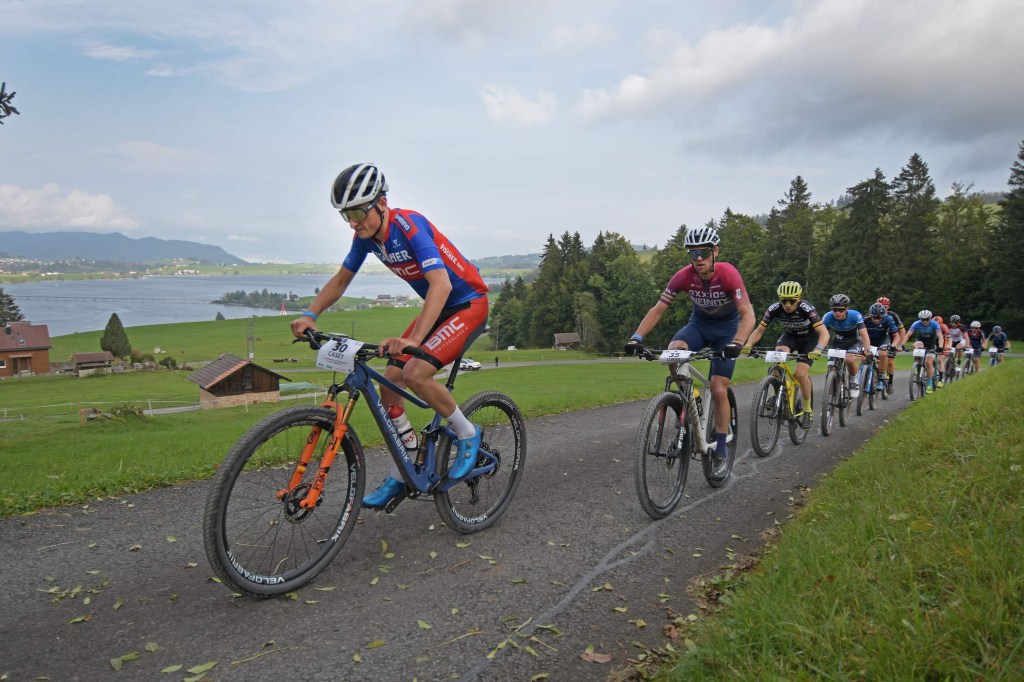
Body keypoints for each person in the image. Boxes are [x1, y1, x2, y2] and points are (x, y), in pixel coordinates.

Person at [291, 163, 490, 509]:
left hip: (467, 304)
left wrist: (415, 340)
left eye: (358, 213)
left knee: (415, 373)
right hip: (440, 307)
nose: (353, 223)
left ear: (382, 203)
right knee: (390, 382)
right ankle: (405, 466)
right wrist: (311, 313)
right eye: (346, 215)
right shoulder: (365, 239)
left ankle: (467, 432)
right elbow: (341, 280)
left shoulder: (410, 226)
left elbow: (441, 284)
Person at [624, 225, 756, 475]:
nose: (698, 259)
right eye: (693, 253)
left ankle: (720, 449)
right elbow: (658, 310)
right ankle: (689, 395)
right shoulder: (683, 276)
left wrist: (737, 343)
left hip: (727, 331)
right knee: (673, 352)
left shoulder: (728, 274)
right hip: (698, 326)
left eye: (703, 252)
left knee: (718, 389)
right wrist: (636, 338)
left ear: (715, 252)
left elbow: (748, 315)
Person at [740, 280, 829, 428]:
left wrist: (818, 349)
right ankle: (774, 394)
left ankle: (807, 409)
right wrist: (748, 344)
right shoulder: (774, 308)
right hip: (790, 336)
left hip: (809, 339)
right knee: (777, 358)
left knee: (800, 374)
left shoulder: (806, 308)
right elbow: (759, 330)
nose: (787, 305)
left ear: (798, 299)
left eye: (791, 301)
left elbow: (824, 333)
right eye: (783, 301)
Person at [819, 294, 873, 398]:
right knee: (832, 369)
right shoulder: (828, 316)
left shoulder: (854, 315)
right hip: (838, 341)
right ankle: (830, 399)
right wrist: (818, 348)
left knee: (849, 360)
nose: (837, 313)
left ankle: (854, 381)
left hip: (854, 341)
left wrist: (867, 350)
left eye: (840, 310)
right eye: (834, 310)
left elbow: (864, 334)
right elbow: (821, 334)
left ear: (847, 308)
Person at [904, 310, 944, 393]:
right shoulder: (916, 324)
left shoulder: (934, 324)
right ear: (920, 319)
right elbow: (907, 335)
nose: (925, 321)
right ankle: (917, 365)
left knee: (928, 362)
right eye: (923, 320)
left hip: (931, 343)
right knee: (917, 347)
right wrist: (902, 345)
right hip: (920, 341)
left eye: (927, 319)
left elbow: (940, 336)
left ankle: (929, 384)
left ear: (930, 318)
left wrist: (940, 347)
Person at [862, 302, 899, 391]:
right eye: (874, 317)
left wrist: (893, 345)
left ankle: (881, 379)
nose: (876, 320)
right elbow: (859, 334)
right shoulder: (865, 320)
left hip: (882, 340)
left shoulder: (888, 319)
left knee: (883, 354)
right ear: (870, 315)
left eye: (879, 318)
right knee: (863, 356)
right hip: (869, 340)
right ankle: (863, 376)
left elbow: (896, 335)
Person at [875, 296, 906, 390]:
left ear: (888, 307)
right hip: (879, 339)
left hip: (892, 339)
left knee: (890, 362)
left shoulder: (893, 315)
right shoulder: (874, 314)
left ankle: (890, 382)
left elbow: (902, 331)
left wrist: (900, 344)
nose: (883, 308)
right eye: (880, 306)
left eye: (885, 306)